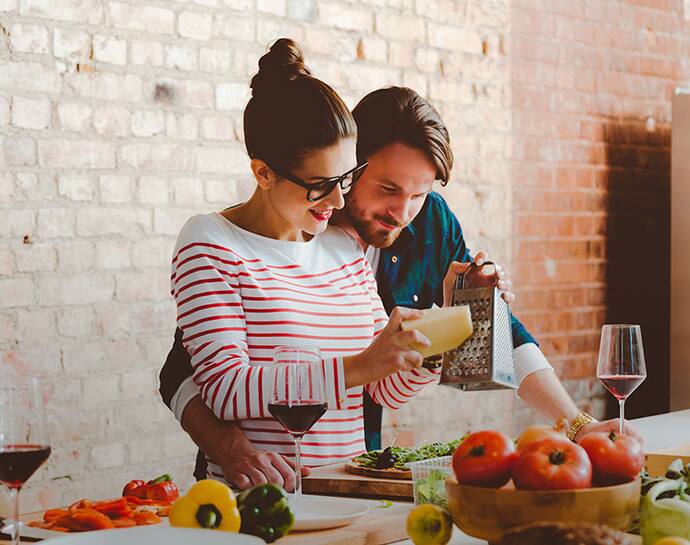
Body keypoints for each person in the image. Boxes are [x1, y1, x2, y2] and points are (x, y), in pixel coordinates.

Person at [161, 79, 643, 491]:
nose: (403, 212)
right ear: (351, 165)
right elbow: (196, 373)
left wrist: (459, 323)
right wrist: (228, 443)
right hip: (258, 479)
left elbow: (436, 359)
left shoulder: (421, 224)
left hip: (346, 467)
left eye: (420, 193)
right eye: (388, 189)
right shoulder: (250, 234)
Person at [168, 38, 442, 486]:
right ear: (263, 173)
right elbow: (224, 388)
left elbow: (381, 389)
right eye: (321, 183)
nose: (339, 199)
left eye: (347, 177)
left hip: (345, 494)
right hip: (255, 504)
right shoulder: (212, 242)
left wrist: (426, 354)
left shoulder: (342, 247)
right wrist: (358, 366)